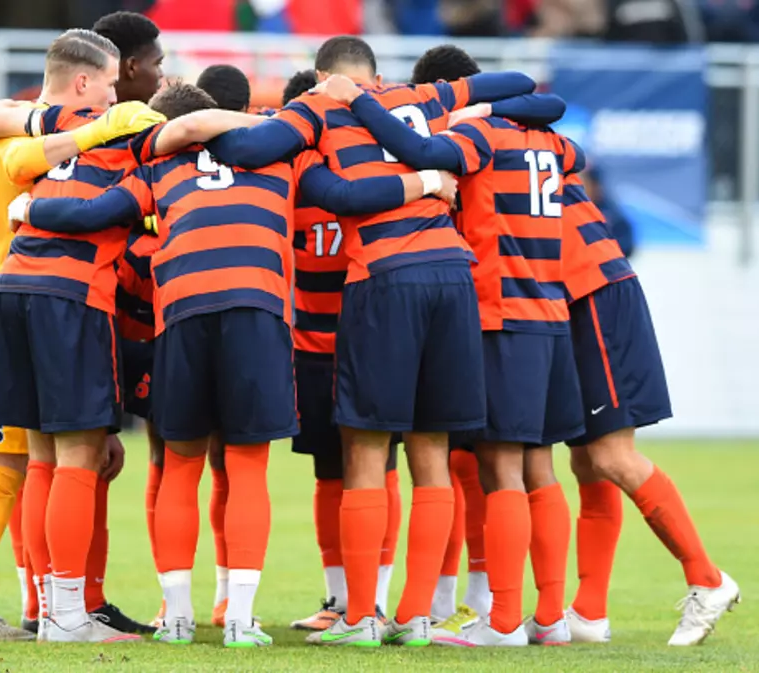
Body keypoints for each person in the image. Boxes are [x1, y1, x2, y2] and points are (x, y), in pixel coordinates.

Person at [10, 81, 457, 647]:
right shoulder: (283, 157)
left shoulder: (157, 168)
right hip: (259, 313)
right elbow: (348, 194)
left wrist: (30, 206)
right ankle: (241, 619)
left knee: (180, 466)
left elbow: (96, 211)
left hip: (183, 316)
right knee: (246, 466)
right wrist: (427, 182)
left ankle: (175, 618)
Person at [203, 35, 537, 647]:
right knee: (431, 452)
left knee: (365, 448)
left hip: (384, 280)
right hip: (453, 277)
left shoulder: (318, 107)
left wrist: (219, 120)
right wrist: (454, 138)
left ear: (327, 76)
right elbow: (519, 83)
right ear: (375, 74)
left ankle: (360, 616)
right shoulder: (425, 95)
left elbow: (248, 148)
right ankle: (415, 616)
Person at [321, 48, 583, 646]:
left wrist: (358, 101)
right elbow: (549, 102)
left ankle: (504, 619)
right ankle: (547, 616)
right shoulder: (554, 146)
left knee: (497, 468)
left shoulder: (477, 138)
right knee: (532, 468)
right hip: (546, 313)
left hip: (497, 310)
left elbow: (418, 154)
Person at [0, 27, 157, 641]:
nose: (111, 99)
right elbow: (29, 161)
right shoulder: (31, 136)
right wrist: (101, 130)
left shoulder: (15, 121)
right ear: (84, 83)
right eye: (108, 87)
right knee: (3, 465)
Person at [560, 171, 740, 647]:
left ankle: (708, 579)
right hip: (577, 294)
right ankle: (588, 613)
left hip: (591, 291)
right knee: (586, 459)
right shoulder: (505, 136)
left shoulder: (482, 137)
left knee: (611, 456)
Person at [277, 70, 403, 631]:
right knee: (332, 473)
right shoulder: (291, 178)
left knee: (378, 471)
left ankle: (371, 599)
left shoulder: (360, 174)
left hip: (367, 338)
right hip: (313, 345)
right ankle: (340, 600)